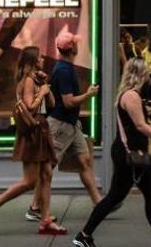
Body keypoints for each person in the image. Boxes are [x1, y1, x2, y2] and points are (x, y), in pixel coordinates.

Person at [71, 58, 151, 247]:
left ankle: (85, 235)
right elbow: (140, 126)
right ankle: (84, 235)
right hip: (132, 154)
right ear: (140, 74)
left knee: (127, 196)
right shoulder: (131, 96)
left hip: (129, 153)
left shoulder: (128, 95)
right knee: (137, 195)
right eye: (147, 71)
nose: (150, 75)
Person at [0, 46, 66, 235]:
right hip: (33, 132)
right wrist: (41, 92)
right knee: (30, 181)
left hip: (41, 130)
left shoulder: (36, 80)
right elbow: (29, 107)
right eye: (40, 58)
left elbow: (51, 104)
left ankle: (46, 219)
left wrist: (45, 86)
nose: (43, 60)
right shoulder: (27, 82)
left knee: (46, 174)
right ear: (32, 62)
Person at [48, 28, 102, 207]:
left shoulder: (65, 68)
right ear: (72, 49)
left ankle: (98, 202)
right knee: (47, 168)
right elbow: (69, 102)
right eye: (76, 44)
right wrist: (89, 95)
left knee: (84, 160)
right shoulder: (64, 71)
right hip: (61, 126)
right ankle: (36, 207)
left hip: (70, 124)